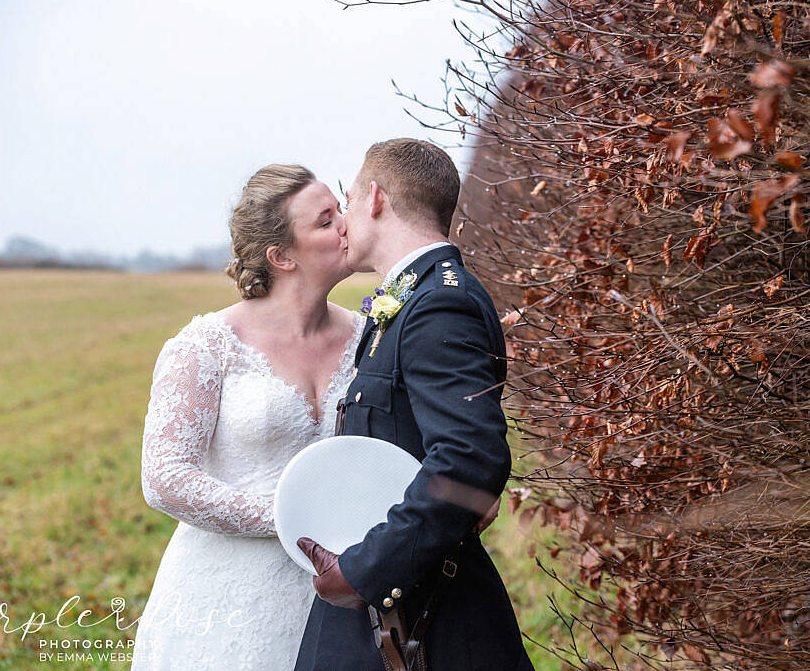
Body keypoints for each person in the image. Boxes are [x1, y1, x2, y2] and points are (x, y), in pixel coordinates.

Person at [294, 138, 534, 670]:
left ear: (375, 198)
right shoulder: (412, 298)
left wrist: (363, 572)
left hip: (423, 613)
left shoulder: (439, 303)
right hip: (395, 598)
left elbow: (470, 461)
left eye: (349, 200)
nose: (346, 220)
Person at [132, 164, 365, 669]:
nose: (346, 223)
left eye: (340, 208)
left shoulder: (373, 338)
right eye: (325, 220)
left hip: (347, 594)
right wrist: (294, 523)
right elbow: (165, 479)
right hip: (227, 598)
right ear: (281, 257)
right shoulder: (204, 346)